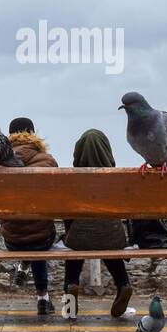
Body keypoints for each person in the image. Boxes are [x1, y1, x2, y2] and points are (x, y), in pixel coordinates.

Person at [63, 128, 133, 319]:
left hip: (79, 236)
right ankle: (123, 284)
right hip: (112, 235)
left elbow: (66, 214)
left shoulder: (71, 179)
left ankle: (71, 287)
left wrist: (70, 232)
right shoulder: (117, 179)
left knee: (75, 247)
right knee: (108, 242)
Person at [2, 117, 59, 315]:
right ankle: (43, 298)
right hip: (42, 238)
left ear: (8, 136)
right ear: (33, 135)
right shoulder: (47, 160)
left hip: (12, 239)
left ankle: (24, 263)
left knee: (29, 235)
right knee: (38, 237)